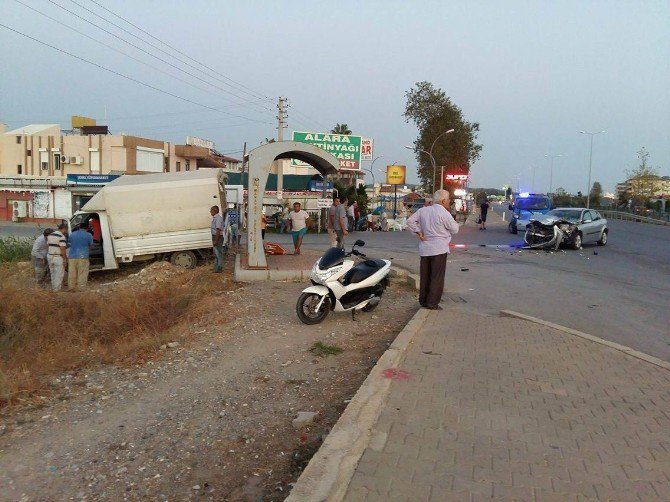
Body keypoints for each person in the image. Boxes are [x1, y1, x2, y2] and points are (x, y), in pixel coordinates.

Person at [406, 189, 460, 310]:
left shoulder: (423, 210)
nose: (449, 201)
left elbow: (409, 222)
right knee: (436, 276)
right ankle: (432, 302)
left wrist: (418, 232)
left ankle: (423, 300)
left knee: (425, 275)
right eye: (448, 199)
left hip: (425, 248)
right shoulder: (444, 213)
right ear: (443, 200)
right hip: (439, 248)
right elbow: (455, 229)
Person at [67, 223, 94, 291]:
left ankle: (71, 288)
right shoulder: (88, 235)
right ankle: (81, 288)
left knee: (72, 272)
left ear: (79, 227)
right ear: (87, 228)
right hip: (83, 256)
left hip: (72, 256)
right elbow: (91, 246)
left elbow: (69, 244)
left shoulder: (72, 234)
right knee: (82, 273)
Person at [47, 222, 68, 291]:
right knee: (59, 274)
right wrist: (65, 259)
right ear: (64, 229)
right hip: (58, 257)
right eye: (66, 230)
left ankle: (54, 288)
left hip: (50, 256)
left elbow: (48, 246)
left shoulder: (50, 235)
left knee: (52, 273)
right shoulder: (61, 236)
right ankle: (57, 291)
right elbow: (62, 249)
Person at [210, 205, 224, 273]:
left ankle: (219, 268)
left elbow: (218, 230)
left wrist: (216, 240)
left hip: (217, 237)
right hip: (215, 236)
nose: (210, 212)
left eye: (211, 210)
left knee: (218, 253)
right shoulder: (215, 218)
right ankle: (216, 268)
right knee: (216, 253)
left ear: (214, 211)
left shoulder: (218, 218)